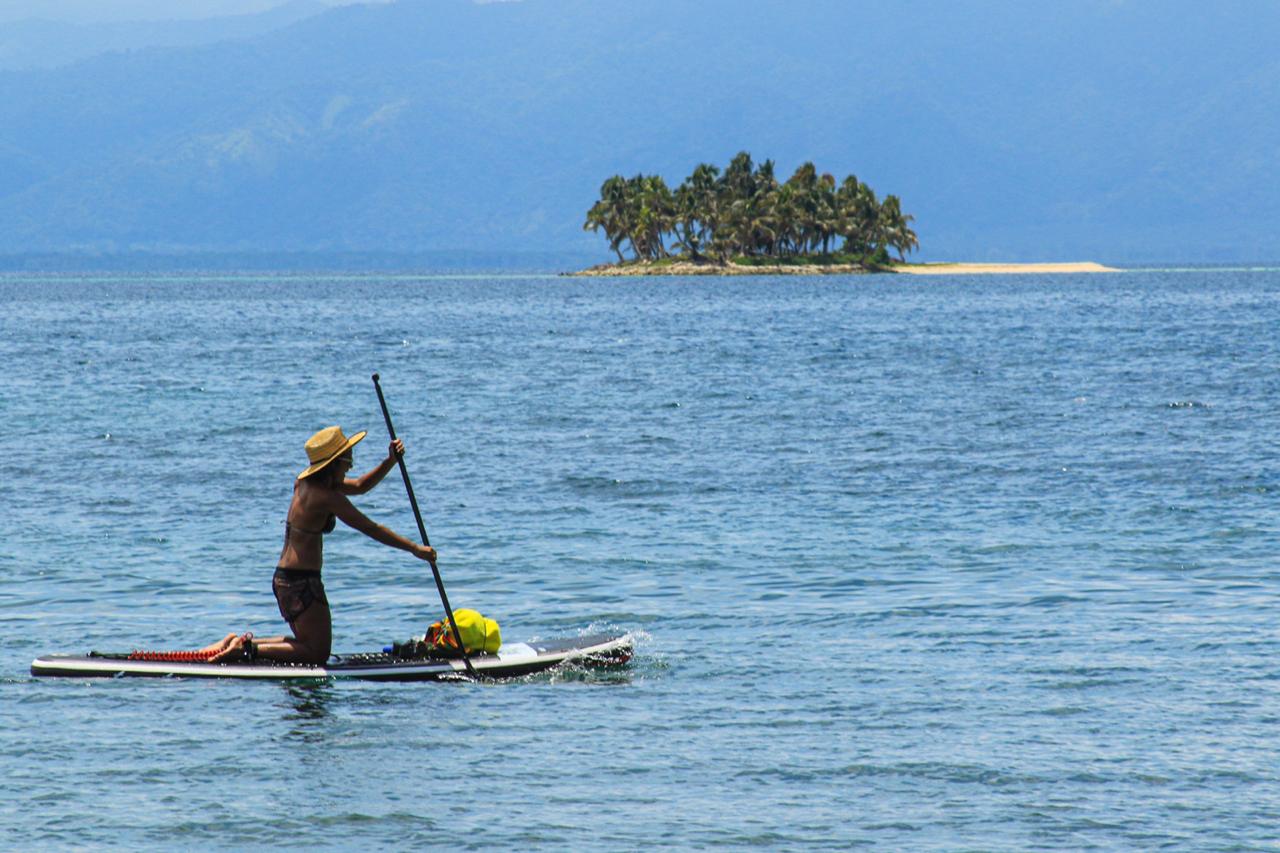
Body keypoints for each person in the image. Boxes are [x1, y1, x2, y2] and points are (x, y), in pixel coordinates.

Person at [206, 425, 436, 664]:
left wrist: (390, 461)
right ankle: (246, 650)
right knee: (317, 653)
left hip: (285, 579)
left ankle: (242, 644)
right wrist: (414, 548)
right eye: (348, 460)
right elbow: (370, 527)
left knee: (307, 644)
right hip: (301, 583)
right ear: (334, 464)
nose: (351, 466)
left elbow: (359, 486)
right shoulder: (327, 498)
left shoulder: (305, 484)